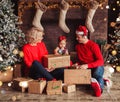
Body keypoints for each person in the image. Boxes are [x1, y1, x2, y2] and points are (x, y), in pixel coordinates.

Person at [73, 25, 104, 97]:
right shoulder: (77, 47)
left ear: (84, 36)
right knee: (95, 76)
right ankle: (100, 82)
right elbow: (80, 60)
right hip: (86, 68)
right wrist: (76, 64)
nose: (76, 38)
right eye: (76, 36)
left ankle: (99, 90)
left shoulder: (94, 46)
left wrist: (87, 65)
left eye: (78, 37)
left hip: (95, 66)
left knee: (97, 72)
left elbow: (101, 61)